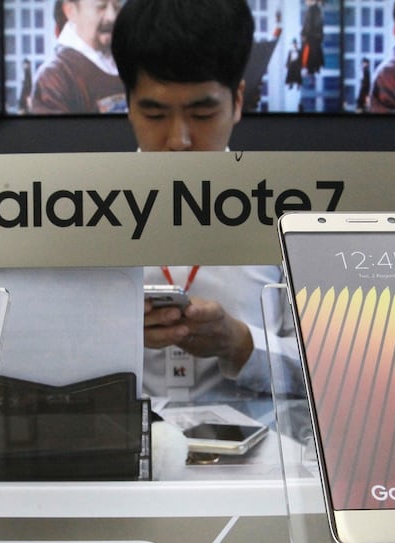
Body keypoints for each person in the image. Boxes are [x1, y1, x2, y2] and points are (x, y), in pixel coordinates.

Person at [112, 0, 297, 402]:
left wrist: (243, 345)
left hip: (262, 455)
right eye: (155, 114)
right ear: (128, 104)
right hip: (115, 451)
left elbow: (341, 367)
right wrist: (106, 333)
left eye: (202, 113)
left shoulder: (287, 207)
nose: (178, 141)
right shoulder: (70, 210)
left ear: (237, 102)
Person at [30, 0, 126, 114]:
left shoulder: (129, 61)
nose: (112, 17)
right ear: (71, 11)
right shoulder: (55, 76)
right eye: (101, 7)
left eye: (116, 7)